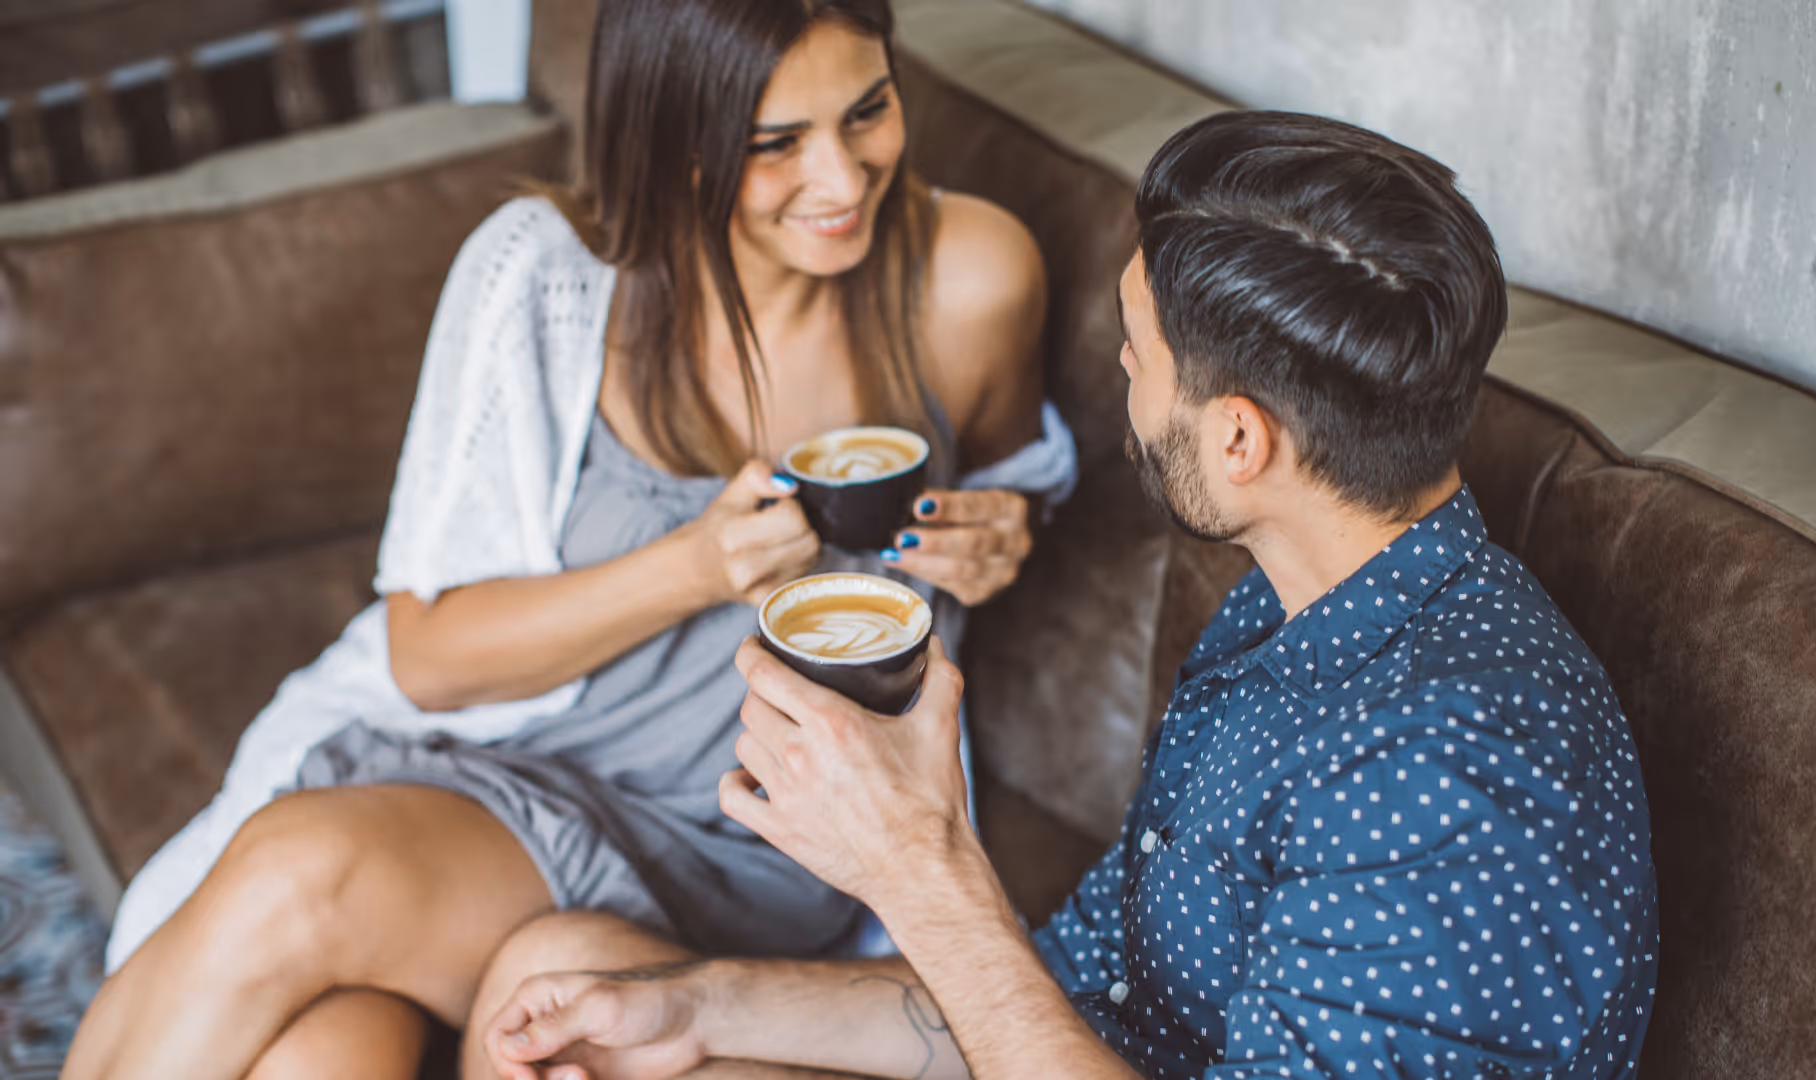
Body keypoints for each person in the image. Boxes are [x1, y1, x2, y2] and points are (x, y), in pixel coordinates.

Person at [472, 111, 1660, 1080]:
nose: (1123, 374)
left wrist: (916, 869)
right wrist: (704, 1012)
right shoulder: (1294, 615)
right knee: (571, 979)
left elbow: (1004, 985)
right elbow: (1063, 1000)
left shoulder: (1453, 763)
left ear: (1239, 441)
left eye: (1137, 356)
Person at [60, 0, 1077, 1077]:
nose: (842, 177)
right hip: (508, 774)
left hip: (745, 836)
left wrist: (1001, 541)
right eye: (774, 143)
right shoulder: (546, 277)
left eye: (868, 111)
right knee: (322, 1048)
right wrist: (687, 570)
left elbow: (1011, 502)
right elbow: (429, 657)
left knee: (300, 876)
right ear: (672, 134)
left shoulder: (971, 276)